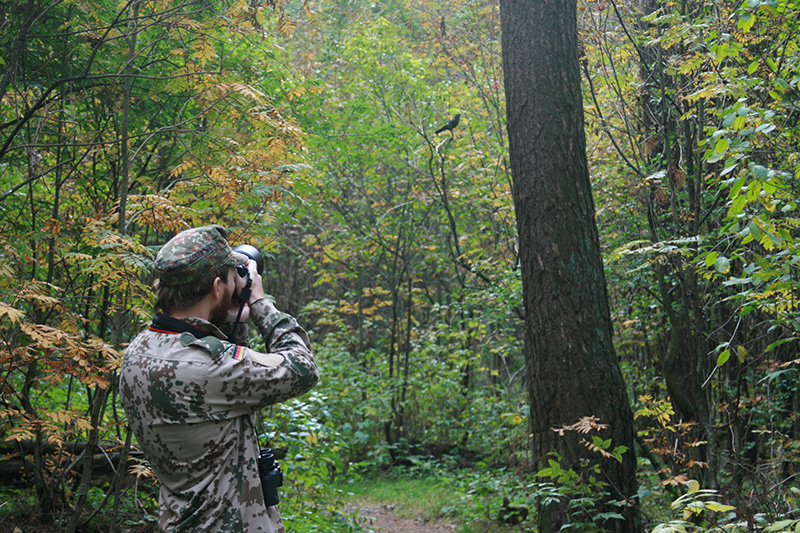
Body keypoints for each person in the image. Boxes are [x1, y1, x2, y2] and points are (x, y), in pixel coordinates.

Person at [119, 225, 319, 532]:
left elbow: (221, 362)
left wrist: (228, 312)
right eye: (228, 279)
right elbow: (302, 367)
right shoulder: (212, 369)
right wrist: (260, 303)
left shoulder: (139, 351)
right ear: (216, 286)